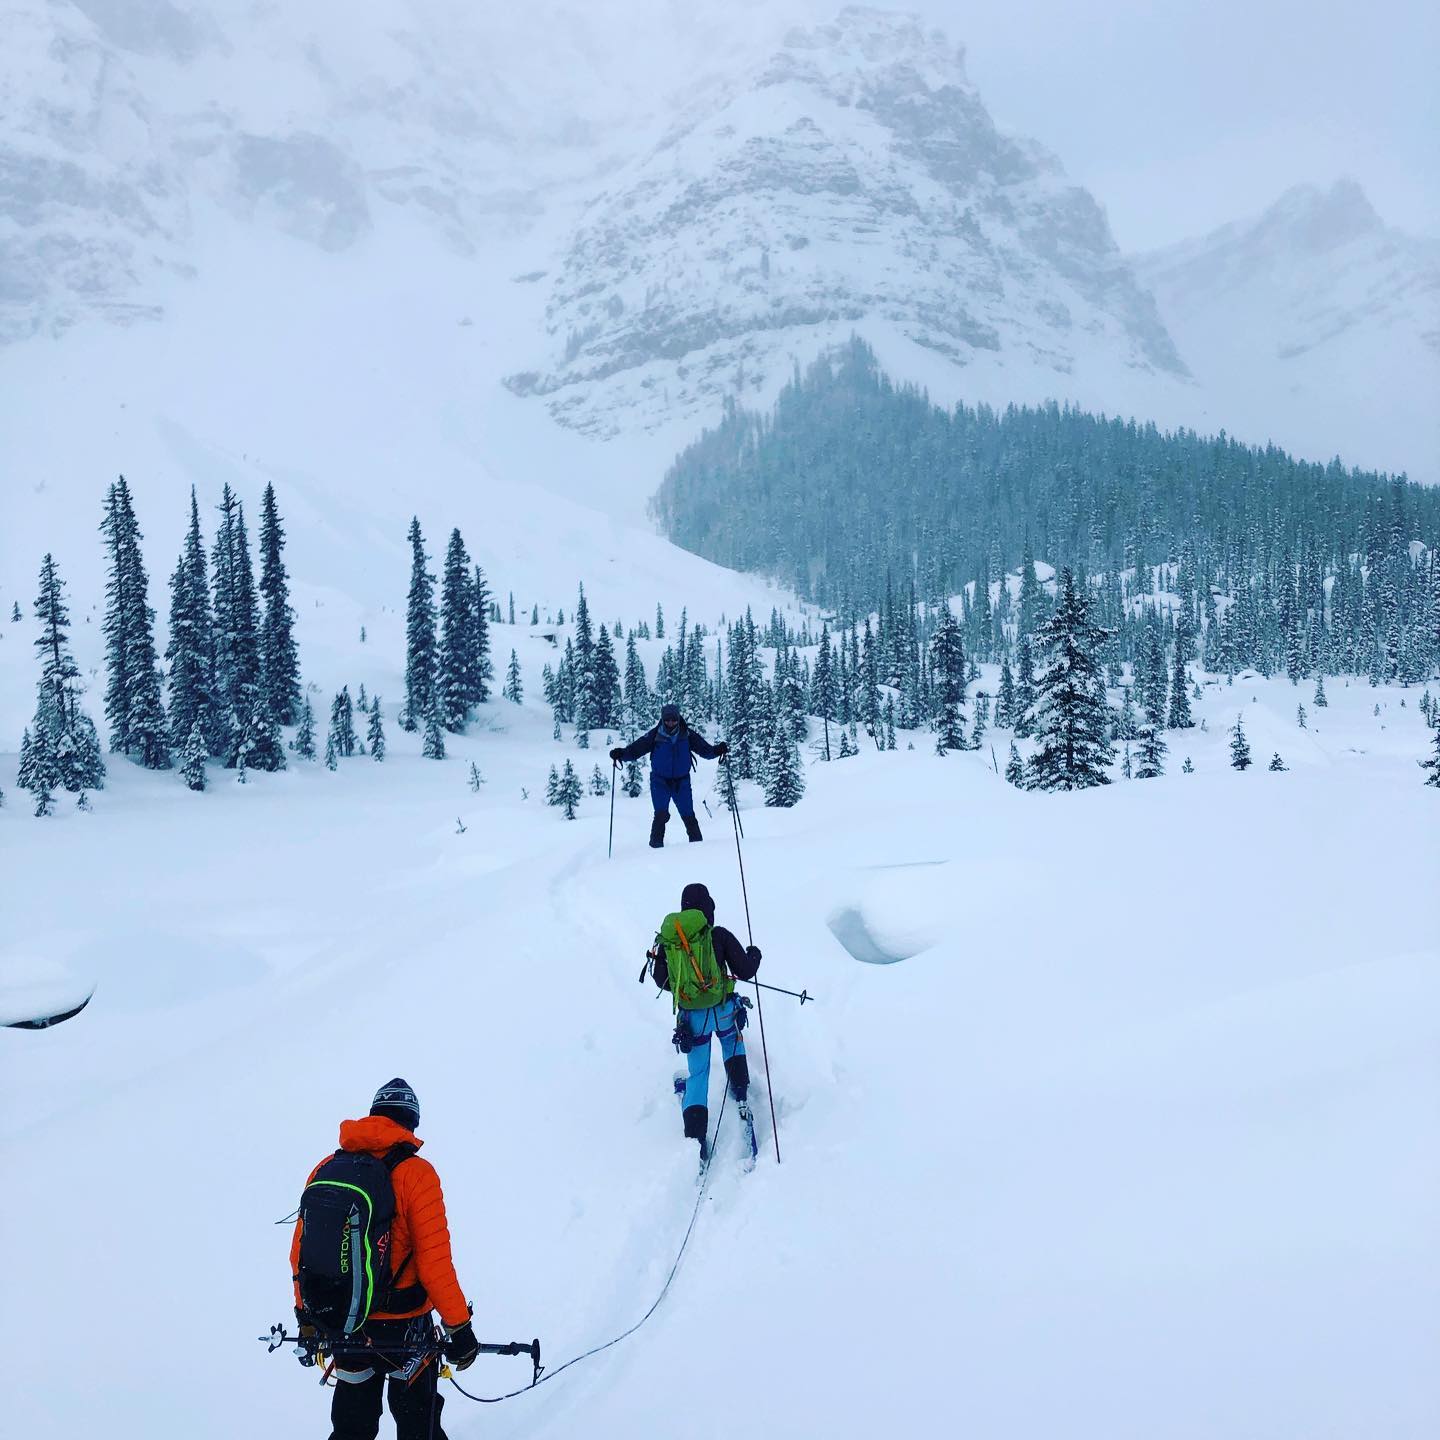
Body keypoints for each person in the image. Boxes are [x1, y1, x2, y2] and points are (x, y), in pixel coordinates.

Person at [290, 1079, 478, 1440]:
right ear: (410, 1124)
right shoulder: (417, 1174)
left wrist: (306, 1315)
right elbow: (434, 1262)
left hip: (344, 1321)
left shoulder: (327, 1167)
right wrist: (459, 1327)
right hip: (405, 1328)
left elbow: (301, 1253)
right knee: (416, 1424)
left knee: (351, 1425)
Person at [649, 882, 761, 1161]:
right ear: (709, 908)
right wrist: (754, 954)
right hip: (723, 1012)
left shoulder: (671, 940)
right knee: (732, 1044)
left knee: (698, 1073)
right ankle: (740, 1090)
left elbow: (661, 980)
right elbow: (745, 970)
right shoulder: (718, 936)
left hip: (693, 1021)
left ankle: (696, 1134)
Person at [610, 703, 728, 847]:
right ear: (662, 719)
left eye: (673, 719)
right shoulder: (654, 735)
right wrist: (621, 754)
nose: (670, 723)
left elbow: (705, 750)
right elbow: (636, 749)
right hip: (659, 782)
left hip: (682, 782)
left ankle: (698, 850)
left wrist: (717, 751)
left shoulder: (687, 734)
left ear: (678, 719)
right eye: (667, 720)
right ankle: (656, 849)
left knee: (688, 815)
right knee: (660, 815)